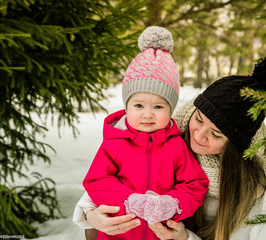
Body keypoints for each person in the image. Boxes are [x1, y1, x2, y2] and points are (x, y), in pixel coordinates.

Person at [74, 50, 266, 239]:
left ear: (235, 146)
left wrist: (181, 228)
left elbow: (194, 187)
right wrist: (91, 215)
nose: (198, 136)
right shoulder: (164, 133)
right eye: (198, 120)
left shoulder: (247, 184)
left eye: (216, 134)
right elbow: (98, 182)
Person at [80, 26, 209, 240]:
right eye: (139, 106)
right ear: (127, 106)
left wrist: (173, 203)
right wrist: (127, 201)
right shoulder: (114, 143)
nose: (147, 114)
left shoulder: (176, 145)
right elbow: (97, 181)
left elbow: (195, 185)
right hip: (118, 234)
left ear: (170, 109)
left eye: (158, 107)